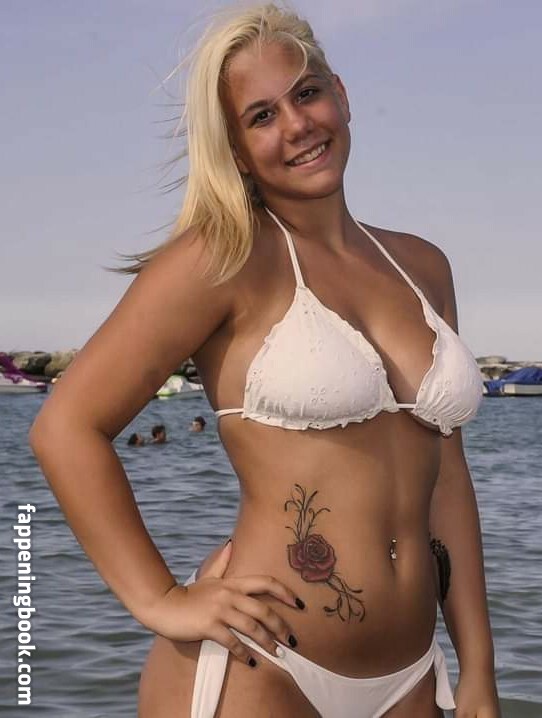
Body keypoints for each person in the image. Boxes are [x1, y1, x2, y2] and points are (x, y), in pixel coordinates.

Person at [28, 4, 500, 717]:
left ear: (341, 95)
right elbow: (65, 429)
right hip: (262, 667)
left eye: (307, 93)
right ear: (238, 151)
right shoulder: (221, 260)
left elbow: (449, 478)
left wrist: (479, 669)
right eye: (261, 116)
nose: (298, 125)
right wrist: (160, 598)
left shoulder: (423, 267)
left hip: (410, 676)